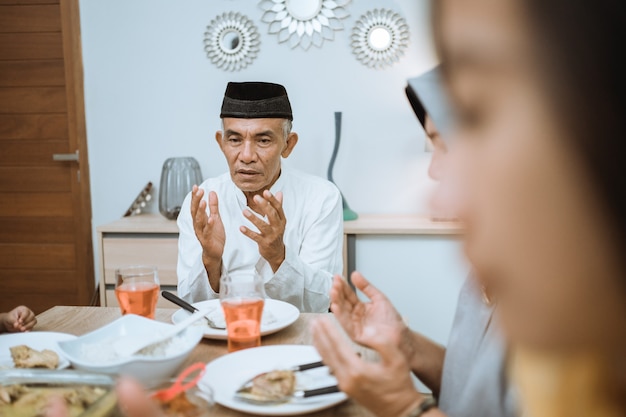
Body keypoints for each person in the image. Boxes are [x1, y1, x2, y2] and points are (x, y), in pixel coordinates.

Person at [312, 0, 626, 416]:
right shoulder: (500, 272)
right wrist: (405, 343)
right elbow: (477, 394)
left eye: (475, 119)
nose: (439, 189)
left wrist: (407, 408)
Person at [309, 67, 517, 417]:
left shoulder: (578, 303)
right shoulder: (493, 257)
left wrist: (405, 406)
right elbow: (472, 388)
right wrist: (404, 342)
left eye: (445, 145)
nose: (434, 171)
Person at [177, 82, 343, 313]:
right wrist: (210, 260)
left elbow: (323, 302)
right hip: (224, 332)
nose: (246, 156)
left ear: (288, 144)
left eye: (263, 140)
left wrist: (279, 257)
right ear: (221, 142)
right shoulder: (201, 201)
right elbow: (190, 305)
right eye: (234, 140)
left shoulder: (321, 198)